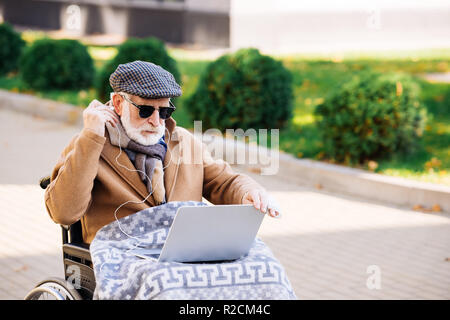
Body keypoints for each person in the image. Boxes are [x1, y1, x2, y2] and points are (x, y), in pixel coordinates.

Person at [45, 60, 280, 244]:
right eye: (145, 110)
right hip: (123, 257)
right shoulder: (89, 144)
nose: (156, 121)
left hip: (183, 251)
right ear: (118, 103)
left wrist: (248, 192)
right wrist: (91, 137)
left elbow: (222, 181)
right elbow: (63, 213)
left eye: (164, 111)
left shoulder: (183, 142)